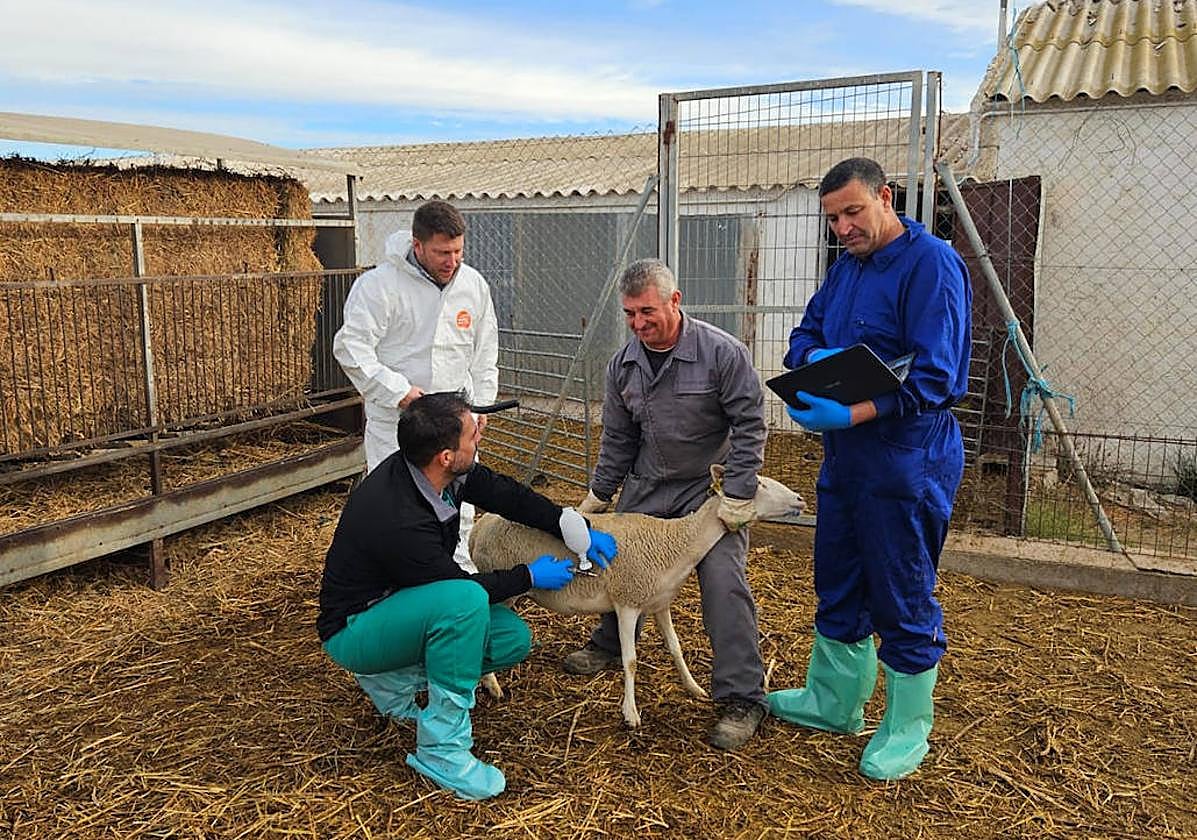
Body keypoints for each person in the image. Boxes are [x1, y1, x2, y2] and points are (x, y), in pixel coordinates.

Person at [767, 157, 972, 781]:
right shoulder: (847, 268)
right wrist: (815, 359)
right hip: (847, 459)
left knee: (901, 586)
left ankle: (907, 726)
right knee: (838, 575)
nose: (843, 229)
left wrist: (853, 411)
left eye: (853, 212)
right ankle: (833, 702)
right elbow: (803, 335)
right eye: (832, 219)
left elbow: (937, 375)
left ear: (886, 197)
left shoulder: (931, 264)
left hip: (907, 457)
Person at [317, 391, 618, 800]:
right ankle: (442, 748)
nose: (479, 437)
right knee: (464, 605)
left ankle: (391, 680)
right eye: (472, 435)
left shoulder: (436, 472)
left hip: (405, 605)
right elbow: (460, 590)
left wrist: (567, 523)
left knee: (510, 638)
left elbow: (506, 495)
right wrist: (529, 576)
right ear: (445, 456)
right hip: (356, 628)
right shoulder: (397, 518)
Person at [564, 257, 769, 751]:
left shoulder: (722, 353)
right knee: (617, 558)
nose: (638, 324)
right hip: (647, 486)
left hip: (707, 491)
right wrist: (598, 498)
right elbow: (618, 440)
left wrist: (738, 493)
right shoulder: (623, 365)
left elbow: (750, 424)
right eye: (629, 314)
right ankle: (610, 644)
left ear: (675, 301)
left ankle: (742, 696)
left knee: (723, 580)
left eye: (647, 312)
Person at [332, 199, 497, 574]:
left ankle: (458, 576)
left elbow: (485, 350)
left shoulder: (472, 285)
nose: (452, 261)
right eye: (442, 253)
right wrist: (398, 392)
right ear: (417, 245)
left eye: (458, 251)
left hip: (455, 422)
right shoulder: (379, 286)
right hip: (399, 423)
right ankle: (399, 580)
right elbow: (351, 348)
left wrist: (482, 406)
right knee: (397, 505)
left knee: (459, 500)